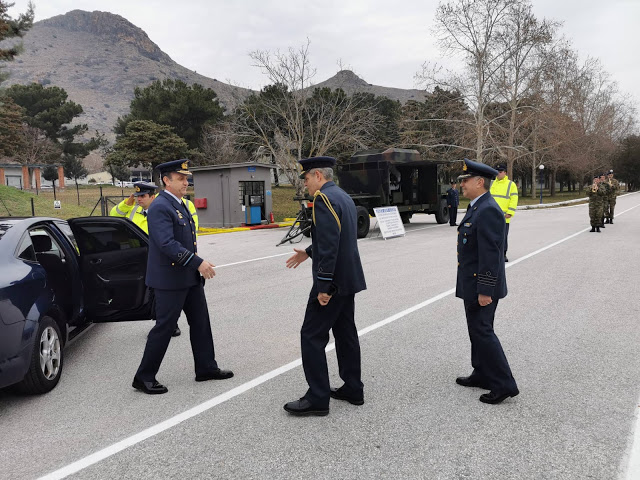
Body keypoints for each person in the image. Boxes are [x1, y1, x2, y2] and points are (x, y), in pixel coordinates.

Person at [132, 159, 232, 395]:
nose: (186, 182)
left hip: (188, 277)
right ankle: (143, 377)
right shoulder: (160, 206)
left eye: (186, 178)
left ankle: (206, 368)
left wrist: (195, 265)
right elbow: (166, 243)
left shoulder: (181, 204)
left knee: (201, 323)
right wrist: (198, 263)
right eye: (181, 178)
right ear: (166, 180)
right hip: (170, 280)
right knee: (164, 327)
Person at [284, 156, 367, 416]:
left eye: (306, 178)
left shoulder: (323, 199)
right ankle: (353, 387)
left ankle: (317, 398)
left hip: (333, 282)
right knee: (345, 334)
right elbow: (336, 237)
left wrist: (323, 286)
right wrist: (308, 252)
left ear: (318, 175)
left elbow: (331, 245)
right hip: (348, 278)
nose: (305, 184)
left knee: (311, 336)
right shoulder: (342, 196)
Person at [455, 159, 518, 405]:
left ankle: (504, 384)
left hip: (482, 285)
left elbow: (492, 256)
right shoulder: (476, 206)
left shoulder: (488, 209)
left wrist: (485, 289)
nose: (462, 185)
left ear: (480, 182)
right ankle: (481, 372)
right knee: (476, 331)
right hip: (471, 282)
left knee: (483, 331)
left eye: (465, 181)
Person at [109, 181, 182, 338]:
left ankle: (170, 324)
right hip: (140, 257)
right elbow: (113, 217)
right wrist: (126, 204)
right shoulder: (132, 209)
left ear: (153, 196)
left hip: (161, 258)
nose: (138, 199)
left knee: (164, 292)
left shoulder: (163, 210)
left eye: (142, 196)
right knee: (148, 292)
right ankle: (160, 322)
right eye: (136, 196)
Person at [489, 164, 518, 262]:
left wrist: (510, 212)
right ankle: (493, 254)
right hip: (492, 215)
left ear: (505, 172)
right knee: (491, 236)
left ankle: (503, 254)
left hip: (504, 216)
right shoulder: (492, 184)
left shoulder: (511, 184)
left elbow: (514, 199)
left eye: (500, 172)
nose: (498, 174)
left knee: (502, 237)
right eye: (497, 172)